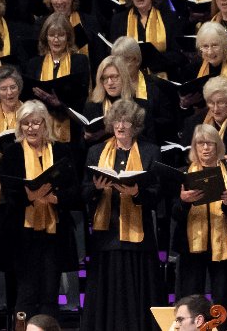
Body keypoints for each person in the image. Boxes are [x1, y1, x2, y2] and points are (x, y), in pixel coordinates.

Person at [80, 99, 160, 330]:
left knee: (137, 290)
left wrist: (137, 192)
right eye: (117, 120)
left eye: (126, 121)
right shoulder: (96, 151)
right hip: (107, 235)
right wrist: (95, 189)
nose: (121, 125)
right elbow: (83, 192)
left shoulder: (150, 151)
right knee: (108, 290)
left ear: (135, 125)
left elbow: (157, 193)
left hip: (139, 237)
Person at [0, 101, 78, 318]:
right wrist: (29, 197)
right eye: (25, 124)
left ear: (45, 124)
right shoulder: (13, 152)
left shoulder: (61, 150)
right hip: (22, 234)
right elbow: (9, 191)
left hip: (54, 233)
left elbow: (74, 191)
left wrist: (55, 197)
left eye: (36, 123)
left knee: (50, 294)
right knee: (25, 294)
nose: (31, 128)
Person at [173, 125, 227, 317]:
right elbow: (173, 214)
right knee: (191, 299)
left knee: (222, 300)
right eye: (201, 143)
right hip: (191, 248)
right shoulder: (183, 174)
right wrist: (184, 202)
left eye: (210, 143)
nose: (206, 148)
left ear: (218, 147)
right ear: (194, 147)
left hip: (224, 249)